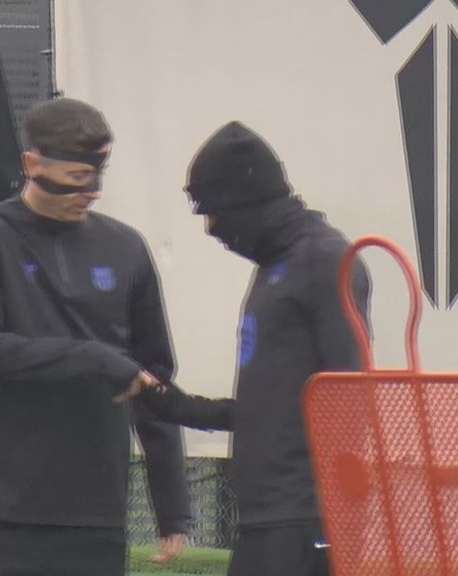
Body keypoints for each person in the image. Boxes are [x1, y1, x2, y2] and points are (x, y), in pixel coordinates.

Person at [0, 97, 190, 576]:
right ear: (33, 164)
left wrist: (172, 505)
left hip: (92, 507)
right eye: (78, 177)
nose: (91, 191)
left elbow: (153, 377)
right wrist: (96, 359)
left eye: (98, 176)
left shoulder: (125, 248)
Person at [145, 121, 371, 576]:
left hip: (304, 518)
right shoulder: (275, 266)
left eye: (214, 213)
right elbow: (270, 407)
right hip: (268, 515)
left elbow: (351, 397)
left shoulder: (326, 261)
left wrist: (336, 519)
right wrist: (171, 404)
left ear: (245, 202)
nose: (210, 229)